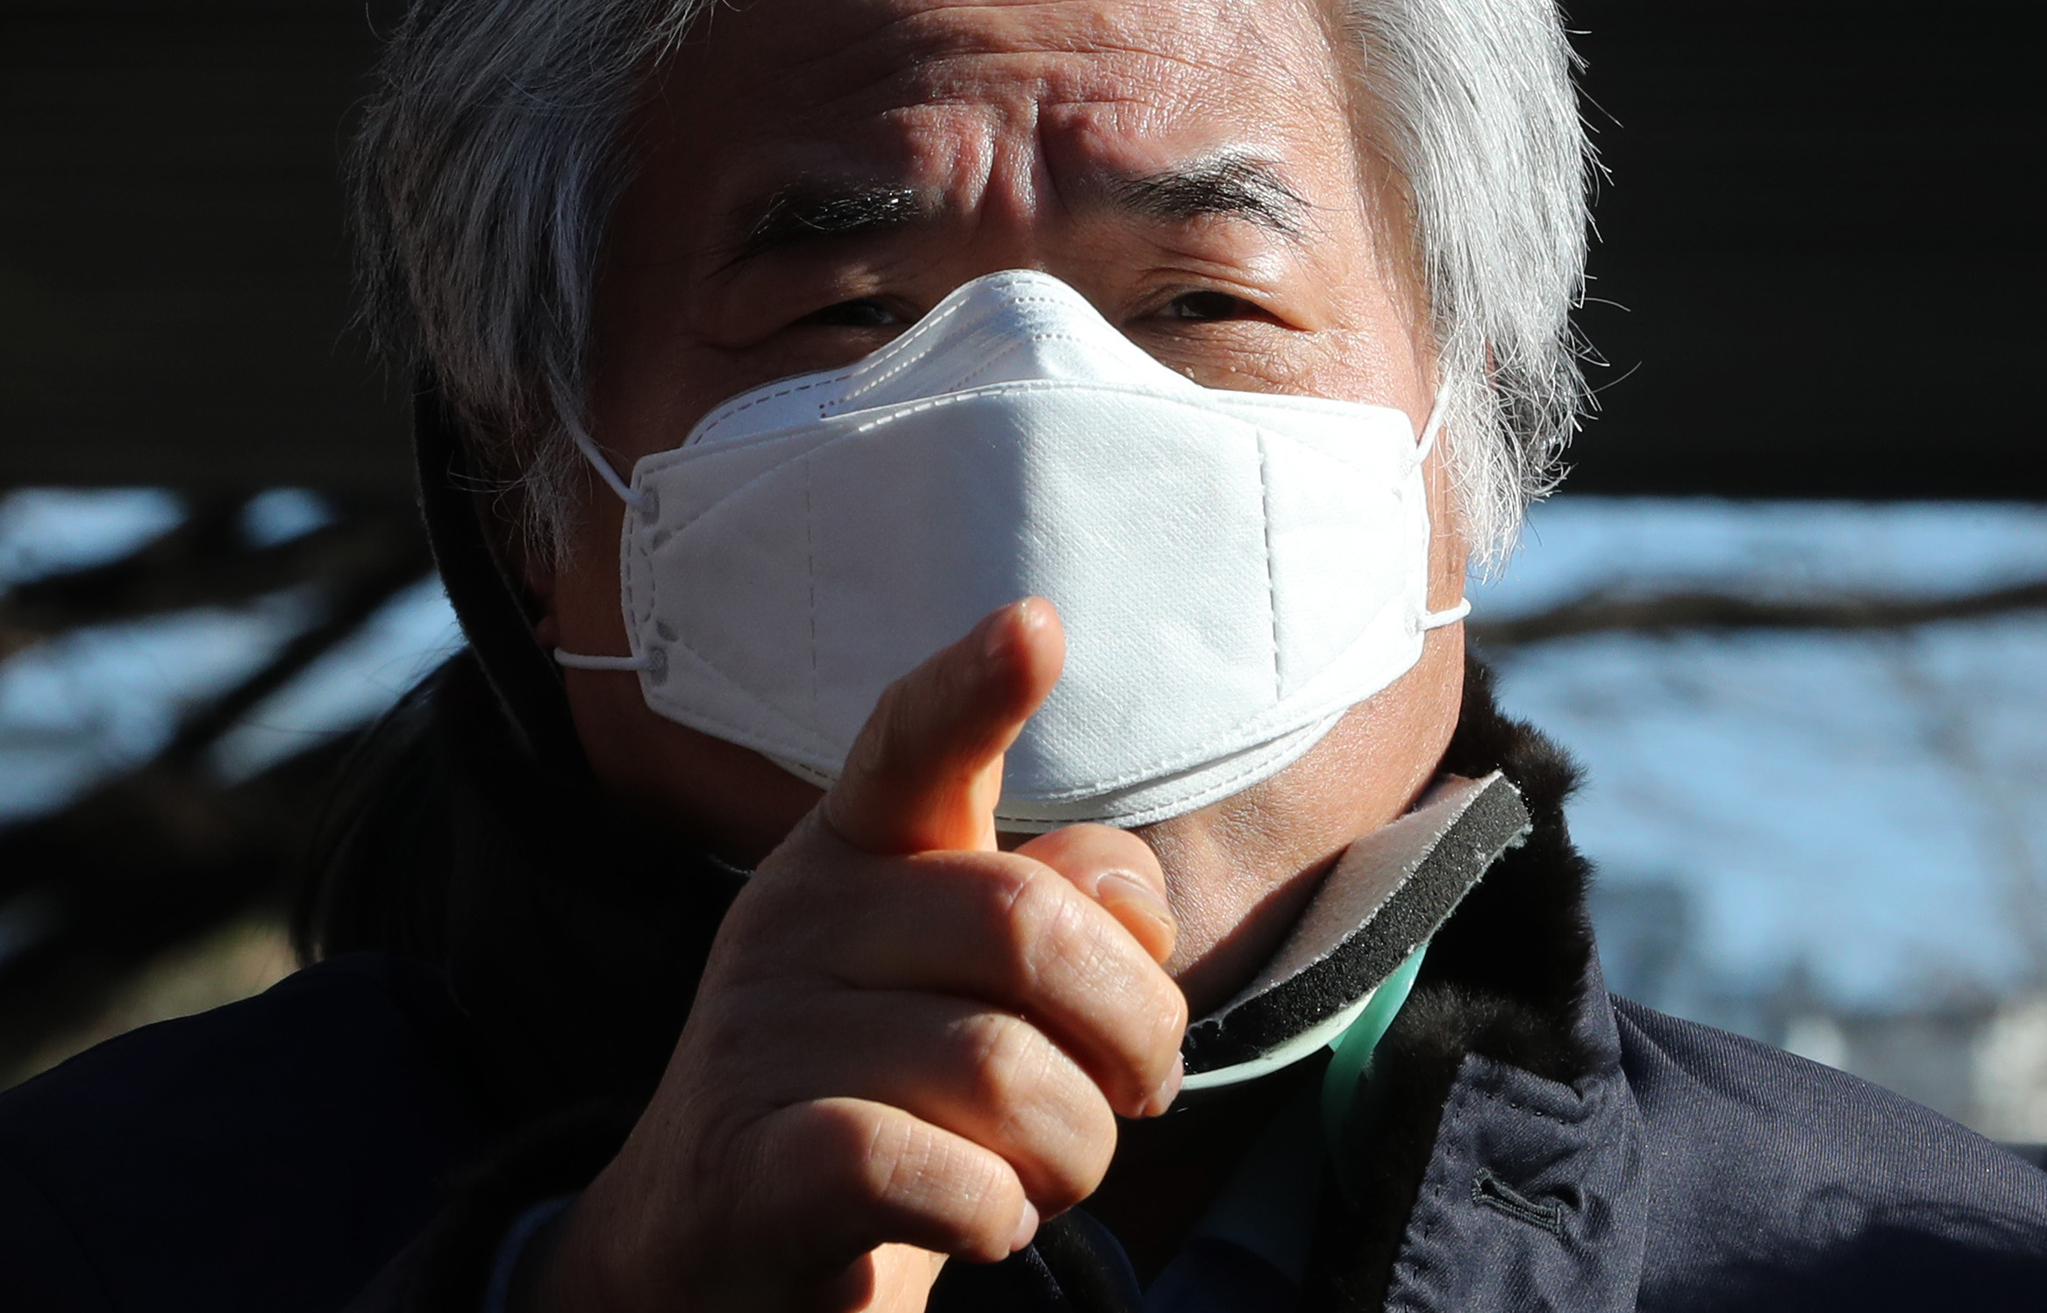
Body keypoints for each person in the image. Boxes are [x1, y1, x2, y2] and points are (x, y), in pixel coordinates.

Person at [3, 0, 2044, 1310]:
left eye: (1201, 301)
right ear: (529, 487)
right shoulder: (89, 1240)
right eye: (847, 311)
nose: (1037, 446)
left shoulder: (1905, 1269)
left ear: (1475, 446)